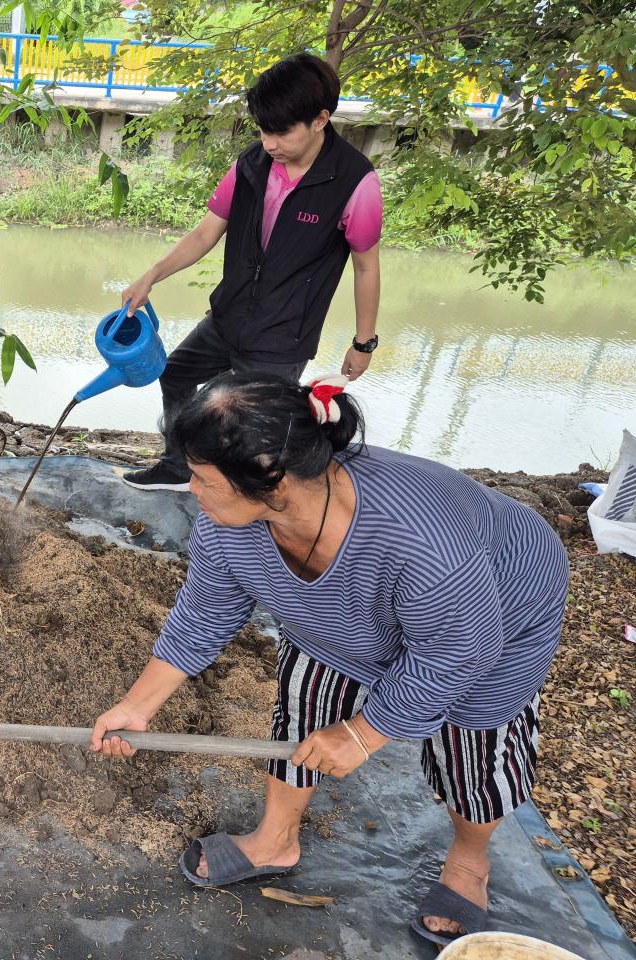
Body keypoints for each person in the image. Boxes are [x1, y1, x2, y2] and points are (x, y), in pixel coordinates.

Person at [90, 372, 568, 947]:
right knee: (305, 711)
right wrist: (135, 708)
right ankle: (275, 839)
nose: (190, 490)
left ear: (272, 479)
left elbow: (453, 653)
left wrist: (365, 732)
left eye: (199, 477)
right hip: (352, 615)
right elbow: (202, 615)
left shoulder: (424, 543)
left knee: (473, 744)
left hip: (496, 616)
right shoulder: (231, 526)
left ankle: (469, 861)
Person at [120, 53, 383, 492]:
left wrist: (363, 342)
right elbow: (207, 232)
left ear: (320, 120)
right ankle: (179, 465)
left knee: (251, 430)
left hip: (281, 336)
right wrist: (151, 276)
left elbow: (366, 266)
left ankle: (241, 503)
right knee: (176, 373)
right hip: (227, 318)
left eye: (281, 132)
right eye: (263, 130)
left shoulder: (355, 182)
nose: (270, 143)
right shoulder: (251, 164)